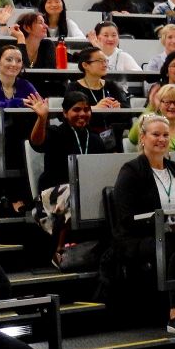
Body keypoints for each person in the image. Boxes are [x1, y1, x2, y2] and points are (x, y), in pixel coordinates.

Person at [111, 114, 175, 335]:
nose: (162, 139)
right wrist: (172, 229)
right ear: (143, 138)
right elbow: (127, 219)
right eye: (156, 134)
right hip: (140, 237)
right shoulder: (131, 171)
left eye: (166, 135)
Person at [25, 92, 113, 252]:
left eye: (86, 109)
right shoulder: (56, 132)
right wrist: (42, 118)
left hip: (85, 194)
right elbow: (36, 143)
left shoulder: (95, 139)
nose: (82, 114)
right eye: (76, 109)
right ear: (65, 113)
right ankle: (60, 249)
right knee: (73, 194)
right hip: (52, 195)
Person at [127, 83, 175, 151]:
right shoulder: (150, 129)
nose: (172, 106)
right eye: (167, 102)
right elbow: (132, 138)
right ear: (159, 104)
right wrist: (152, 107)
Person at [0, 44, 39, 115]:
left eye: (18, 61)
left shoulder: (25, 85)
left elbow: (40, 105)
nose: (14, 64)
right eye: (9, 60)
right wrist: (17, 102)